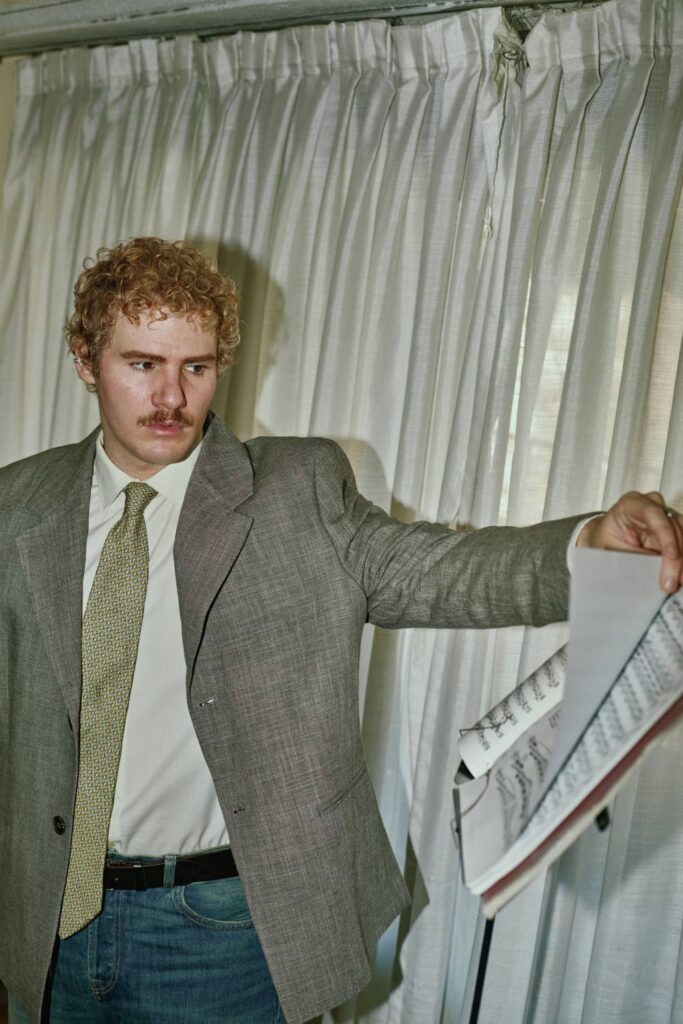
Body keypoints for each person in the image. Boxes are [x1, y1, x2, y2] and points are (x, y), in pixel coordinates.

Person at [1, 237, 681, 1024]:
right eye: (142, 363)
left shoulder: (295, 489)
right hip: (50, 920)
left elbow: (442, 572)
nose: (172, 397)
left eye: (197, 366)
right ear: (86, 361)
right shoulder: (19, 503)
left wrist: (591, 544)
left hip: (222, 927)